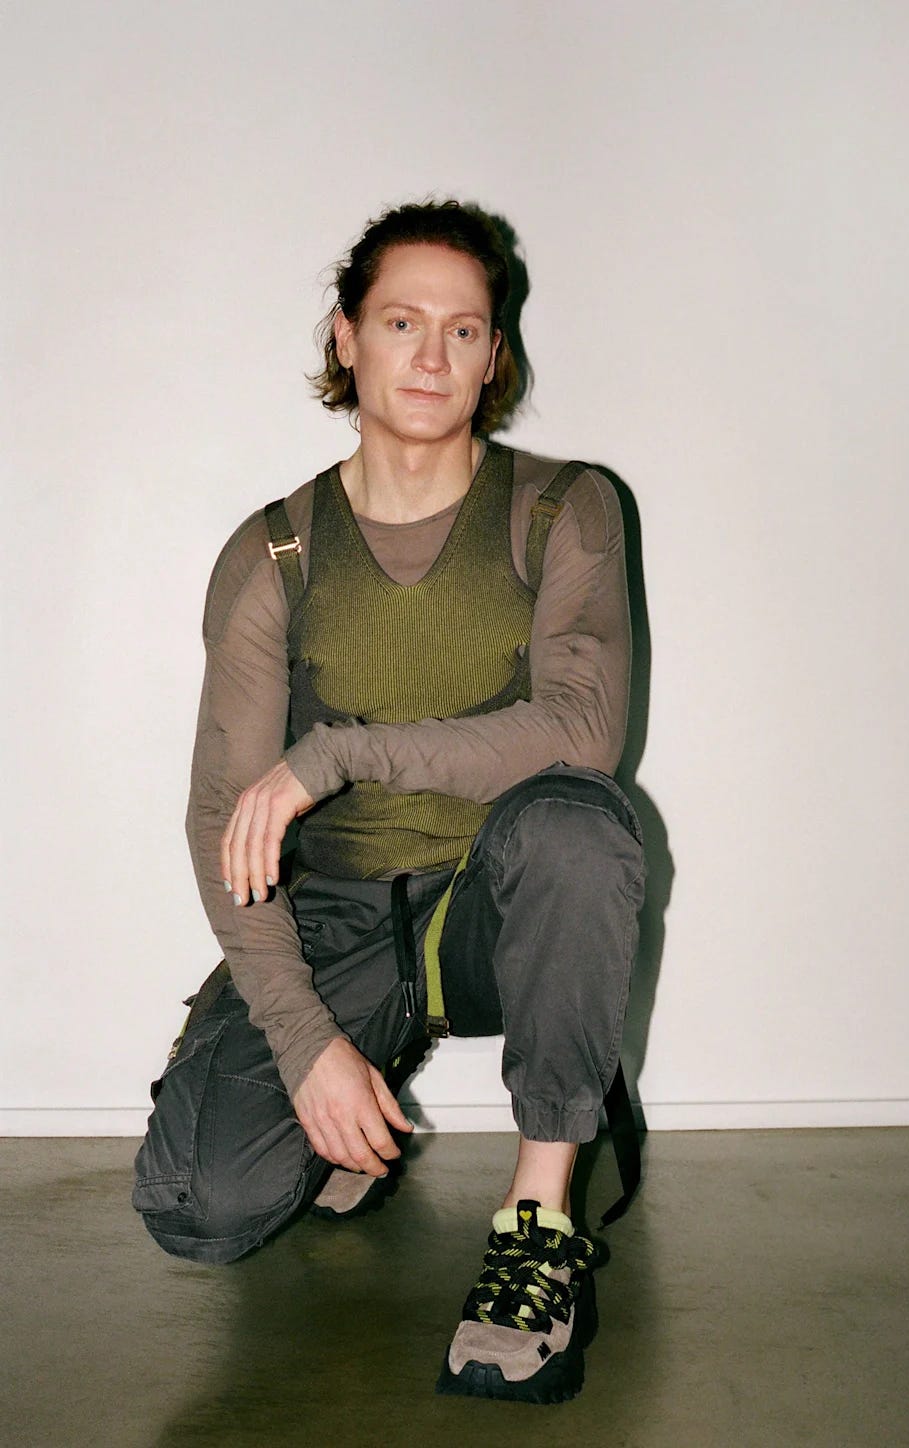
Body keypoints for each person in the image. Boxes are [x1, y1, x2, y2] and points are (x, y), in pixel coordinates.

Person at [133, 199, 647, 1404]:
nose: (432, 355)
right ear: (346, 336)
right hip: (345, 910)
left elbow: (580, 731)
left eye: (464, 330)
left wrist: (340, 753)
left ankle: (538, 1221)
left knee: (578, 827)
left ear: (494, 353)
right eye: (402, 321)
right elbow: (222, 818)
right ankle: (352, 1055)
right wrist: (304, 1041)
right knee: (198, 1204)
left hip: (494, 905)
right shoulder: (276, 553)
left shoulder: (560, 510)